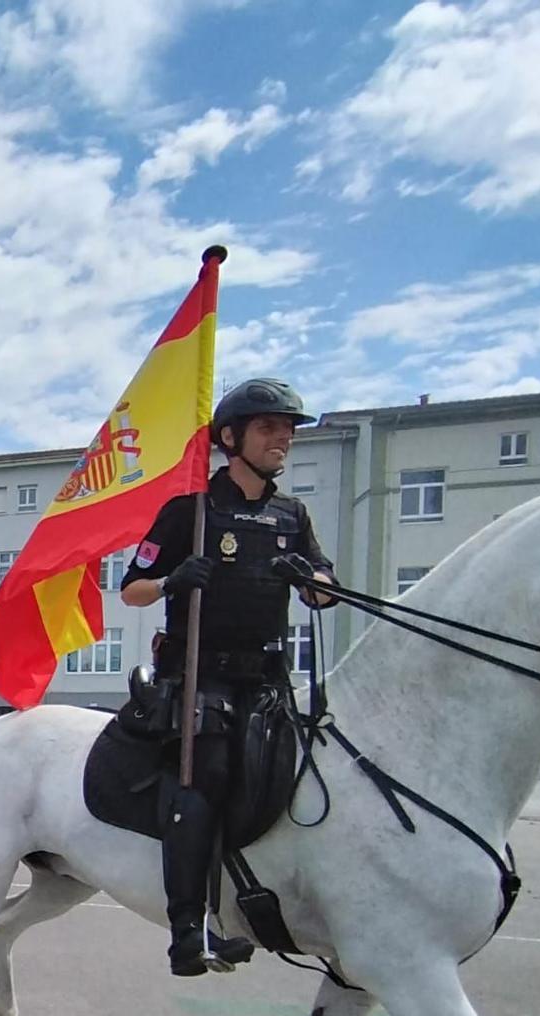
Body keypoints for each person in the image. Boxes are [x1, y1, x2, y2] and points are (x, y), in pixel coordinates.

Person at [119, 376, 336, 977]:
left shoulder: (292, 515)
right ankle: (189, 928)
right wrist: (172, 581)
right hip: (198, 676)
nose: (283, 440)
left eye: (288, 430)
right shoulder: (188, 512)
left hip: (268, 680)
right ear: (232, 437)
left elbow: (325, 591)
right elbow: (131, 591)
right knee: (204, 777)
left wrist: (309, 578)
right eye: (270, 428)